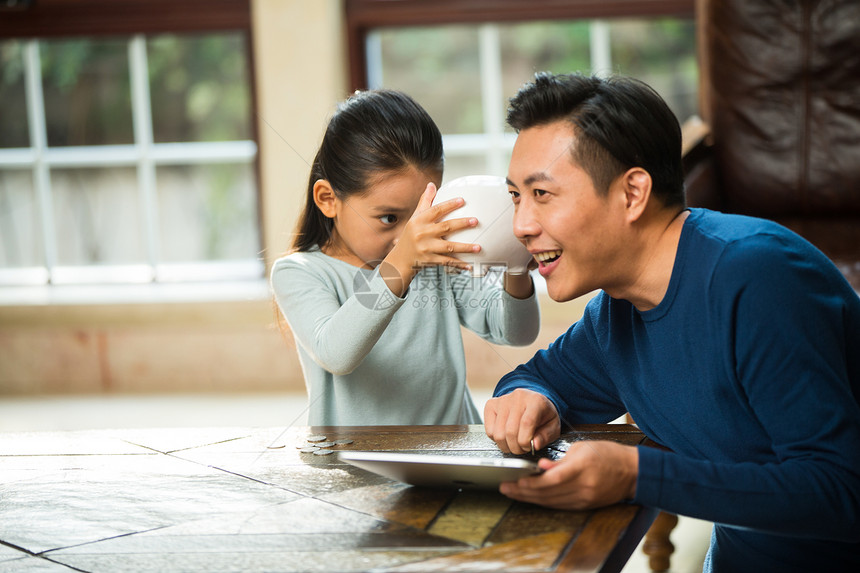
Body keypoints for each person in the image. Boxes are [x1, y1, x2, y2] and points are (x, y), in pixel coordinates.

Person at [484, 72, 860, 572]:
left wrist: (638, 474)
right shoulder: (615, 312)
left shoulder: (757, 278)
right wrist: (528, 399)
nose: (521, 226)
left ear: (633, 193)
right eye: (515, 196)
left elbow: (841, 490)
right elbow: (535, 378)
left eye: (542, 194)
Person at [272, 89, 540, 426]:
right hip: (358, 468)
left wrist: (516, 268)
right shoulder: (300, 272)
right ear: (328, 199)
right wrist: (402, 262)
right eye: (389, 218)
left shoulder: (435, 257)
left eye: (420, 214)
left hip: (452, 455)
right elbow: (335, 353)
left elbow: (515, 333)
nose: (408, 235)